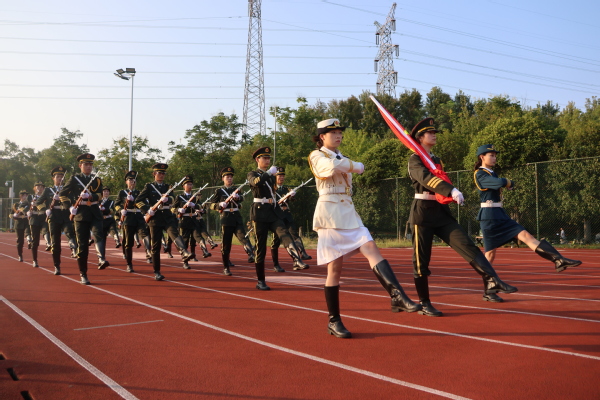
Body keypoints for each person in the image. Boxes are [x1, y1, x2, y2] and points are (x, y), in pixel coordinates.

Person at [308, 119, 421, 338]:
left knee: (370, 247)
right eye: (333, 133)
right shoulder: (316, 155)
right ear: (322, 136)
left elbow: (340, 167)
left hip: (348, 211)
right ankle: (334, 320)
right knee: (335, 270)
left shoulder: (340, 156)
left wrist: (347, 163)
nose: (338, 136)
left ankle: (397, 296)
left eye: (340, 132)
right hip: (330, 214)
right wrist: (356, 165)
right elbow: (330, 168)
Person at [407, 119, 517, 314]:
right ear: (420, 138)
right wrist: (450, 190)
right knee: (421, 262)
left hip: (440, 212)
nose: (434, 135)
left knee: (467, 245)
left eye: (435, 132)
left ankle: (492, 280)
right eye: (430, 133)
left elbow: (439, 175)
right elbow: (426, 178)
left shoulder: (436, 159)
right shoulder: (415, 159)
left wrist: (450, 192)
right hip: (422, 213)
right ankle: (425, 303)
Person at [473, 144, 581, 301]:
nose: (494, 158)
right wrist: (507, 182)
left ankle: (558, 260)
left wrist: (506, 183)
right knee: (489, 254)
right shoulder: (480, 174)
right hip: (489, 217)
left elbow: (499, 183)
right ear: (482, 157)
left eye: (495, 155)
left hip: (500, 215)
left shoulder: (491, 173)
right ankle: (489, 291)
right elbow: (498, 183)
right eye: (491, 155)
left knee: (525, 235)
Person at [248, 147, 310, 290]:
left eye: (268, 158)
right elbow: (256, 182)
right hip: (259, 212)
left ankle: (297, 259)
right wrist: (269, 173)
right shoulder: (252, 173)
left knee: (284, 233)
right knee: (260, 248)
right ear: (257, 160)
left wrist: (289, 196)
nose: (267, 160)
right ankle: (261, 280)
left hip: (273, 210)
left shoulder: (271, 177)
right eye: (264, 158)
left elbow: (274, 193)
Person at [135, 163, 194, 281]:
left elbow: (172, 198)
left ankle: (184, 252)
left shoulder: (168, 187)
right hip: (155, 218)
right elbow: (138, 200)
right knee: (156, 246)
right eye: (159, 173)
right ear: (154, 174)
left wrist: (167, 199)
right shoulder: (149, 187)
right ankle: (156, 271)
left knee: (174, 233)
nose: (161, 175)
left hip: (167, 216)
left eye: (163, 173)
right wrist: (147, 210)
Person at [59, 153, 107, 285]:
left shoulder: (96, 179)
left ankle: (101, 259)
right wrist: (69, 207)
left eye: (90, 164)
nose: (89, 167)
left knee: (98, 234)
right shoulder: (74, 179)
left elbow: (101, 195)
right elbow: (62, 194)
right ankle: (83, 273)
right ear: (80, 165)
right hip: (81, 214)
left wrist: (91, 196)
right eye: (86, 164)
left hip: (95, 212)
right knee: (83, 245)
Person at [210, 167, 255, 276]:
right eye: (227, 177)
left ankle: (251, 254)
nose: (229, 178)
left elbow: (242, 199)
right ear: (223, 178)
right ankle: (226, 267)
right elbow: (211, 205)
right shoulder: (219, 191)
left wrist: (238, 197)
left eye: (231, 177)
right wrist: (219, 205)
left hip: (236, 216)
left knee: (243, 236)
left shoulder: (236, 189)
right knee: (226, 243)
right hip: (226, 218)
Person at [36, 166, 78, 275]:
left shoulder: (67, 189)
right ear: (53, 178)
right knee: (55, 243)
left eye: (61, 177)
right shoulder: (48, 190)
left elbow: (73, 200)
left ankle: (73, 248)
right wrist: (45, 210)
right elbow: (38, 202)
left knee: (70, 233)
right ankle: (57, 265)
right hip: (54, 216)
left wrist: (70, 206)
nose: (60, 179)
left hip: (65, 214)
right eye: (58, 177)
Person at [270, 167, 312, 273]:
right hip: (277, 216)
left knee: (294, 234)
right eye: (279, 176)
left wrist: (292, 195)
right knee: (275, 242)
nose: (281, 178)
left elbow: (291, 200)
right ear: (275, 177)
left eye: (283, 176)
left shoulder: (286, 189)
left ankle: (302, 253)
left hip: (287, 215)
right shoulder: (272, 189)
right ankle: (276, 264)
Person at [114, 170, 152, 273]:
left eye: (134, 180)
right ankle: (129, 264)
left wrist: (135, 201)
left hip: (139, 217)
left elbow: (145, 203)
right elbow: (116, 204)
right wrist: (121, 210)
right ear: (126, 182)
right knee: (128, 243)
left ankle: (148, 252)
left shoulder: (139, 193)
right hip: (128, 218)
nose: (132, 182)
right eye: (130, 180)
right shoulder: (122, 192)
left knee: (145, 235)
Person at [173, 176, 212, 269]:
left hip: (194, 220)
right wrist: (178, 210)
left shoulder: (194, 197)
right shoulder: (179, 197)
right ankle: (185, 261)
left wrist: (194, 205)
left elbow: (200, 206)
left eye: (191, 184)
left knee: (198, 236)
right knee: (185, 241)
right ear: (183, 186)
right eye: (188, 184)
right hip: (184, 221)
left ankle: (205, 251)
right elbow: (172, 208)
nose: (190, 186)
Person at [27, 181, 48, 268]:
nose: (39, 188)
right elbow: (25, 206)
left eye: (41, 187)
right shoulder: (30, 197)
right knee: (35, 241)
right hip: (34, 218)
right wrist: (28, 211)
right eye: (38, 187)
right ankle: (34, 260)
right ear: (34, 188)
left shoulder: (46, 196)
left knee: (46, 231)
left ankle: (48, 243)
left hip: (44, 217)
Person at [11, 190, 30, 262]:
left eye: (27, 195)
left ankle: (29, 240)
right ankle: (20, 255)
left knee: (29, 233)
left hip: (27, 221)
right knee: (20, 241)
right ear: (21, 196)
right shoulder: (16, 205)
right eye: (25, 195)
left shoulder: (29, 204)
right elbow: (10, 214)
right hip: (19, 223)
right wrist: (15, 215)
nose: (26, 197)